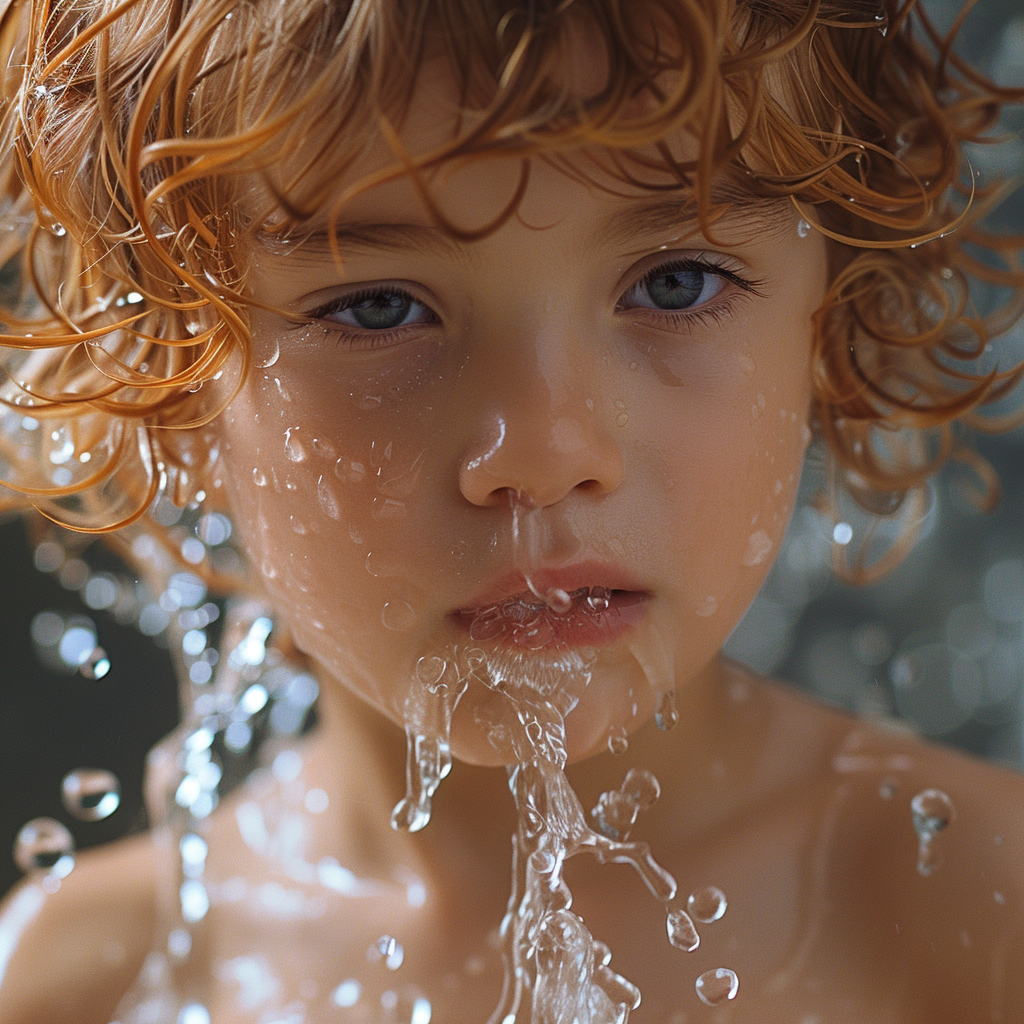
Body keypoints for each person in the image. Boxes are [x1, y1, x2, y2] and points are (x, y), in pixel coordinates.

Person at [0, 0, 1023, 1021]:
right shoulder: (83, 982)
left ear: (831, 316)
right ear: (167, 376)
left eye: (674, 282)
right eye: (378, 307)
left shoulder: (982, 917)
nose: (539, 452)